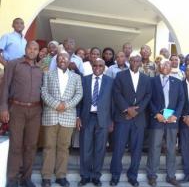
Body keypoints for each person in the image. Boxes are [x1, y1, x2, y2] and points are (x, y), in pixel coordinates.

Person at [0, 41, 43, 187]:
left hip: (36, 111)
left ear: (38, 51)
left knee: (31, 146)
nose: (32, 51)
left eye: (35, 49)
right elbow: (5, 86)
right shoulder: (14, 64)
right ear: (25, 49)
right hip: (16, 109)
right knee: (16, 145)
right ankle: (12, 179)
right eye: (30, 48)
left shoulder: (40, 68)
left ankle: (26, 178)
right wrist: (4, 108)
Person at [40, 51, 83, 187]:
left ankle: (61, 175)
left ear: (69, 60)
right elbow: (44, 92)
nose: (62, 59)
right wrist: (56, 104)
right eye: (60, 57)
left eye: (65, 57)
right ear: (56, 60)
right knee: (48, 147)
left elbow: (79, 94)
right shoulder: (47, 74)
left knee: (64, 148)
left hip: (68, 116)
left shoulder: (76, 77)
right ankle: (46, 176)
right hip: (50, 116)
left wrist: (65, 105)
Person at [110, 52, 152, 187]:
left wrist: (136, 111)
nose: (135, 63)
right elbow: (116, 94)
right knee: (118, 148)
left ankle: (132, 175)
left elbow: (148, 96)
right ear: (130, 62)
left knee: (137, 150)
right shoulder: (120, 75)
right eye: (133, 61)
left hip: (138, 119)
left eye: (137, 61)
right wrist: (127, 109)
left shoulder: (146, 79)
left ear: (141, 63)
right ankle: (115, 175)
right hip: (122, 118)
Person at [146, 59, 184, 187]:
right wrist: (156, 114)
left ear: (171, 66)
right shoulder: (152, 81)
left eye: (167, 64)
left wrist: (176, 115)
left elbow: (181, 100)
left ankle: (171, 176)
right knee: (154, 148)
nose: (165, 66)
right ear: (158, 67)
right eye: (162, 64)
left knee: (171, 149)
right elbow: (148, 99)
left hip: (172, 121)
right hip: (157, 120)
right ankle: (152, 175)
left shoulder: (178, 82)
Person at [77, 59, 113, 187]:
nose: (97, 67)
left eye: (100, 66)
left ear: (104, 68)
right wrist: (78, 117)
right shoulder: (84, 80)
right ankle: (85, 176)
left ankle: (96, 175)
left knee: (100, 149)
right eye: (95, 65)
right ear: (92, 67)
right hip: (87, 117)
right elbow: (79, 100)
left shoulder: (110, 81)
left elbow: (112, 103)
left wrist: (111, 121)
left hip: (103, 119)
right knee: (86, 148)